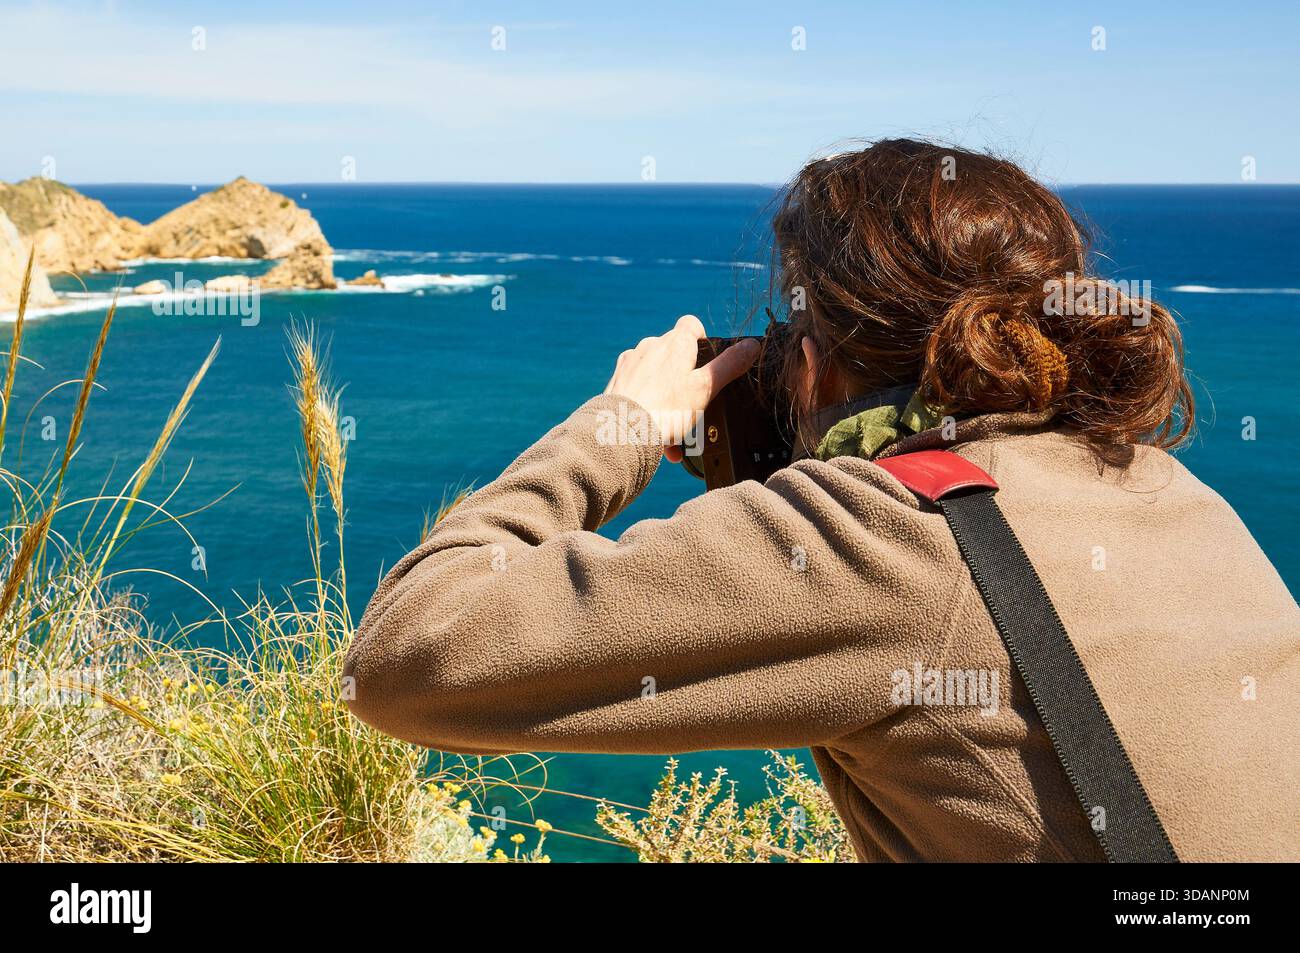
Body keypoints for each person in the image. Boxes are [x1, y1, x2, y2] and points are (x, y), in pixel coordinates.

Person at [343, 139, 1299, 861]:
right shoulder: (1172, 490)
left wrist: (626, 423)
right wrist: (772, 457)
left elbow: (400, 657)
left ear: (810, 356)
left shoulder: (887, 541)